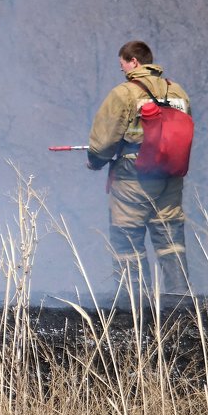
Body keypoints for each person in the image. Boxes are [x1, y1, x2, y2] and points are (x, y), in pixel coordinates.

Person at [86, 40, 192, 308]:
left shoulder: (124, 93)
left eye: (122, 64)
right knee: (170, 238)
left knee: (127, 237)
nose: (121, 70)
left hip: (132, 177)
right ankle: (180, 300)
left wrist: (95, 160)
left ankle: (135, 304)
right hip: (170, 175)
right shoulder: (177, 90)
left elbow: (103, 141)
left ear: (133, 61)